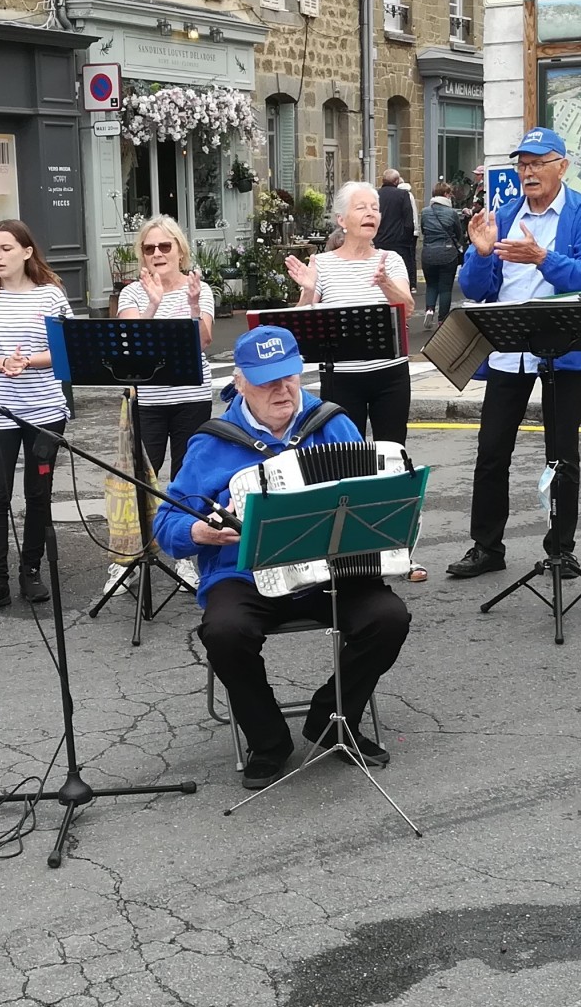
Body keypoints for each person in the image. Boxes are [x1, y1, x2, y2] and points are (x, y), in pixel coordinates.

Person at [159, 327, 411, 789]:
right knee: (225, 631)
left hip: (329, 571)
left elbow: (373, 498)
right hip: (246, 574)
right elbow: (166, 527)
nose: (282, 389)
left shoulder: (331, 423)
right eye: (266, 380)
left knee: (389, 616)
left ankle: (333, 719)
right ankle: (267, 739)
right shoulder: (211, 443)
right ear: (238, 383)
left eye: (289, 377)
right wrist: (202, 531)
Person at [445, 127, 581, 579]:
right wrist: (480, 255)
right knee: (492, 451)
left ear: (562, 165)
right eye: (523, 164)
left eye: (538, 162)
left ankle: (561, 548)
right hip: (508, 349)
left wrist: (542, 257)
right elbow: (479, 289)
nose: (528, 171)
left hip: (563, 349)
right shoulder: (504, 213)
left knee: (561, 454)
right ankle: (486, 547)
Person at [284, 182, 424, 581]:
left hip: (389, 376)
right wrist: (309, 291)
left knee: (393, 460)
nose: (371, 214)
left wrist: (384, 284)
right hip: (341, 377)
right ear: (341, 219)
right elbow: (300, 323)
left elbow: (407, 307)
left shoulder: (391, 259)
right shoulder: (323, 264)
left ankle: (399, 550)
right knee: (344, 465)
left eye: (375, 207)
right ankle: (348, 553)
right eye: (361, 207)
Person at [0, 219, 77, 614]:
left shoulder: (51, 296)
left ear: (27, 251)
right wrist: (2, 363)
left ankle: (31, 570)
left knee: (38, 493)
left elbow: (66, 350)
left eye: (6, 249)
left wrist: (29, 362)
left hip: (44, 410)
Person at [115, 215, 214, 478]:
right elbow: (131, 345)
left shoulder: (199, 288)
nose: (157, 254)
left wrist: (194, 305)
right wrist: (153, 305)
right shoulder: (132, 293)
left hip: (192, 396)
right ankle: (147, 522)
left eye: (165, 247)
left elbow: (203, 342)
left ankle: (183, 521)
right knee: (144, 476)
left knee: (188, 476)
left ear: (180, 251)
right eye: (149, 249)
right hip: (149, 398)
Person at [418, 181, 469, 332]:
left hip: (428, 253)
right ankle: (442, 320)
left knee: (431, 284)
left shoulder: (426, 212)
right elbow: (458, 233)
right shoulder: (452, 213)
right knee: (445, 288)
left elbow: (423, 230)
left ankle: (429, 309)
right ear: (446, 195)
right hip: (447, 253)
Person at [375, 168, 419, 294]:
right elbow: (408, 220)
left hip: (380, 240)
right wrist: (407, 238)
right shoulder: (402, 195)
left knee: (382, 270)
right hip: (399, 241)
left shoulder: (376, 195)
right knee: (399, 271)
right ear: (396, 181)